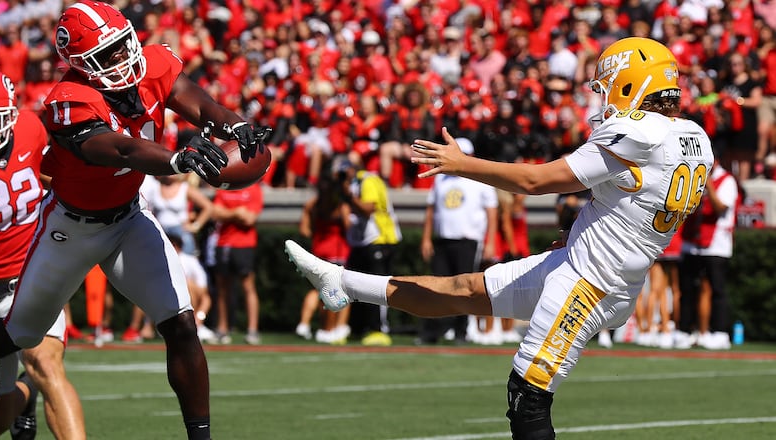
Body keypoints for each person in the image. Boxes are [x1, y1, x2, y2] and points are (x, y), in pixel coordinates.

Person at [285, 37, 714, 439]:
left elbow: (535, 180)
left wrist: (461, 163)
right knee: (463, 289)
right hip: (593, 270)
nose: (602, 101)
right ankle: (341, 284)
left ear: (629, 84)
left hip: (589, 283)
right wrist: (583, 230)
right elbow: (635, 200)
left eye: (607, 89)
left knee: (527, 397)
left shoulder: (640, 132)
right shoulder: (694, 137)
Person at [0, 2, 271, 439]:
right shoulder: (69, 99)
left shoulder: (154, 62)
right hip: (70, 229)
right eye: (108, 55)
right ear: (80, 64)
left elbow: (198, 102)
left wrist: (233, 124)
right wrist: (176, 159)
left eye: (123, 46)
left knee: (180, 321)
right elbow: (120, 150)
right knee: (20, 332)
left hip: (129, 219)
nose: (122, 59)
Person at [0, 67, 86, 440]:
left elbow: (51, 173)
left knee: (46, 363)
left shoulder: (29, 127)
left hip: (33, 273)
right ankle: (23, 396)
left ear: (10, 115)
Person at [418, 138, 498, 345]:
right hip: (443, 239)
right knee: (435, 286)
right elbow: (431, 210)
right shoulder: (441, 178)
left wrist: (490, 242)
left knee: (464, 287)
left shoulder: (480, 179)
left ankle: (461, 331)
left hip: (468, 241)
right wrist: (426, 238)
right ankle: (432, 331)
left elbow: (492, 213)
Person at [675, 157, 739, 350]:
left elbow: (721, 207)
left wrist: (709, 186)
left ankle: (719, 331)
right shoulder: (694, 175)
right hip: (692, 241)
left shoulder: (727, 180)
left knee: (716, 289)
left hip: (716, 244)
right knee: (687, 290)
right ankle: (685, 331)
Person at [338, 156, 401, 346]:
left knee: (377, 287)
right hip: (362, 242)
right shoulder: (352, 184)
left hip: (380, 239)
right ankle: (359, 328)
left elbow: (368, 208)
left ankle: (378, 328)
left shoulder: (368, 180)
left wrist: (348, 196)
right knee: (355, 286)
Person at [295, 171, 352, 344]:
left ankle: (305, 325)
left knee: (317, 291)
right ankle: (335, 329)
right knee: (342, 292)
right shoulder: (340, 206)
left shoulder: (313, 205)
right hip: (338, 253)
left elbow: (304, 230)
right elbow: (350, 227)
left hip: (319, 252)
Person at [210, 181, 264, 345]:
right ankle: (222, 329)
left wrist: (228, 213)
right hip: (224, 244)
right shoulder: (224, 187)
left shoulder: (253, 189)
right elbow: (215, 213)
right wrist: (236, 212)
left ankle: (252, 330)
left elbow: (249, 218)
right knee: (222, 289)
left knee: (248, 287)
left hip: (244, 244)